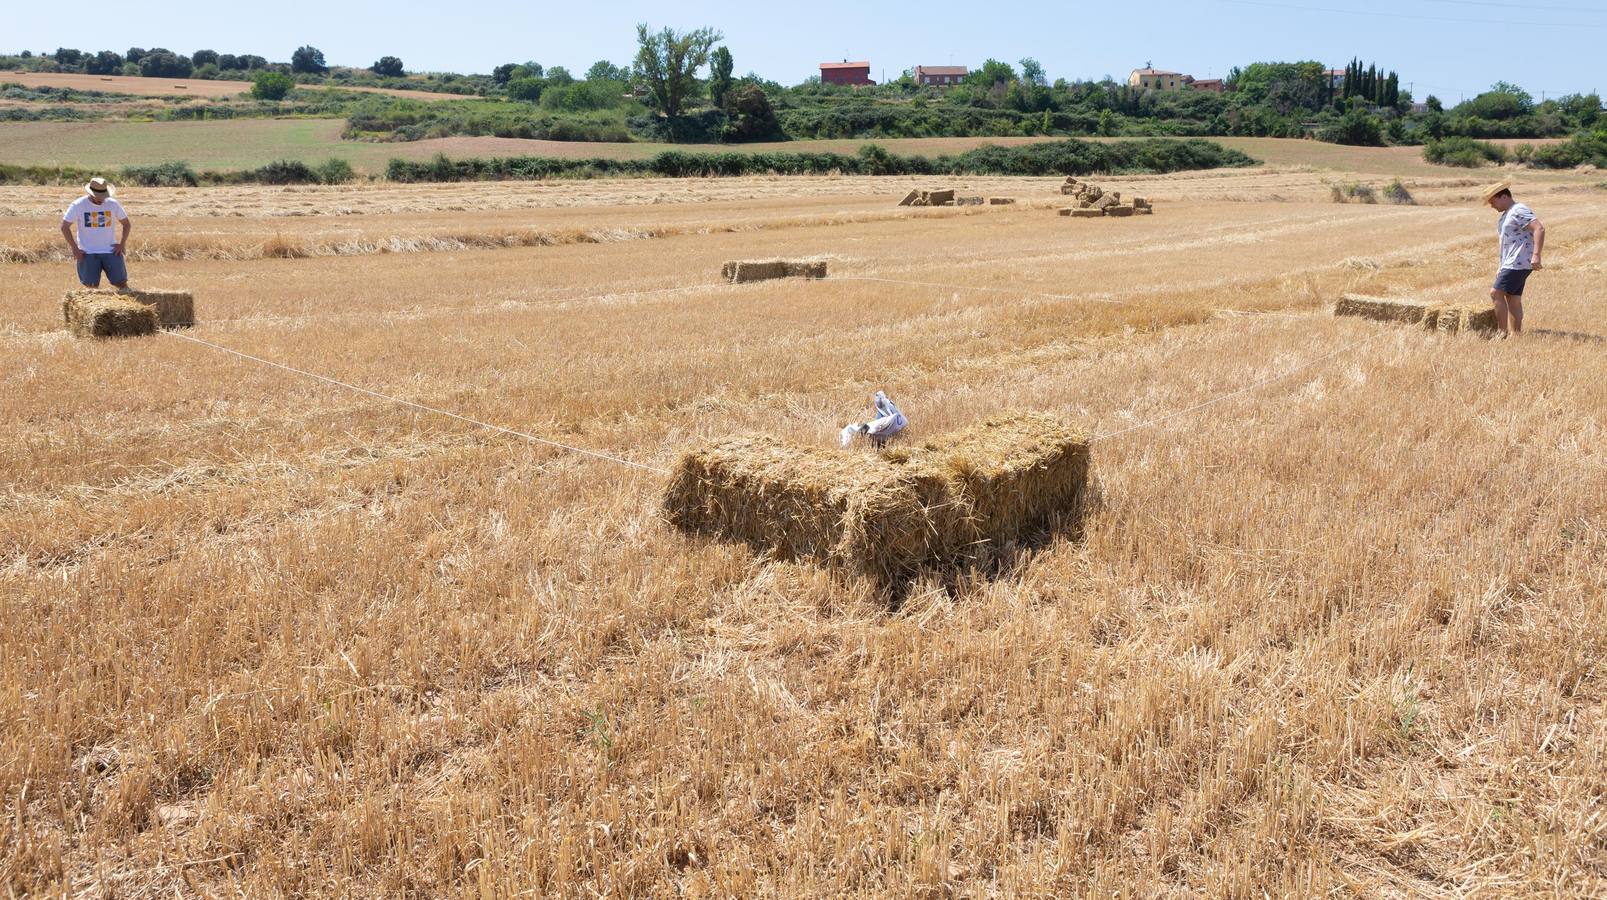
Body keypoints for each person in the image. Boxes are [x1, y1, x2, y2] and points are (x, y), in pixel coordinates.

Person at [1483, 181, 1543, 337]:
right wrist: (1501, 266)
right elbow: (1506, 244)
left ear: (1503, 197)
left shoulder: (1518, 210)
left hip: (1519, 262)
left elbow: (1539, 228)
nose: (1491, 206)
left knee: (1496, 293)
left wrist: (1536, 254)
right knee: (1513, 298)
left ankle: (1501, 333)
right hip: (1512, 263)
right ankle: (1516, 334)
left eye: (1493, 201)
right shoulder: (1506, 215)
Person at [60, 177, 132, 290]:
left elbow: (127, 224)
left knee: (122, 284)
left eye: (104, 197)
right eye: (99, 197)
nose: (102, 200)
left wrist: (122, 244)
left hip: (111, 251)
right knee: (91, 288)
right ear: (91, 194)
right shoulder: (78, 205)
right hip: (87, 253)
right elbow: (64, 227)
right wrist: (75, 248)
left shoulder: (113, 204)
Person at [840, 391, 908, 449]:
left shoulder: (888, 409)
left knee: (859, 429)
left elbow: (875, 425)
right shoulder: (891, 408)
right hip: (888, 431)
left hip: (883, 432)